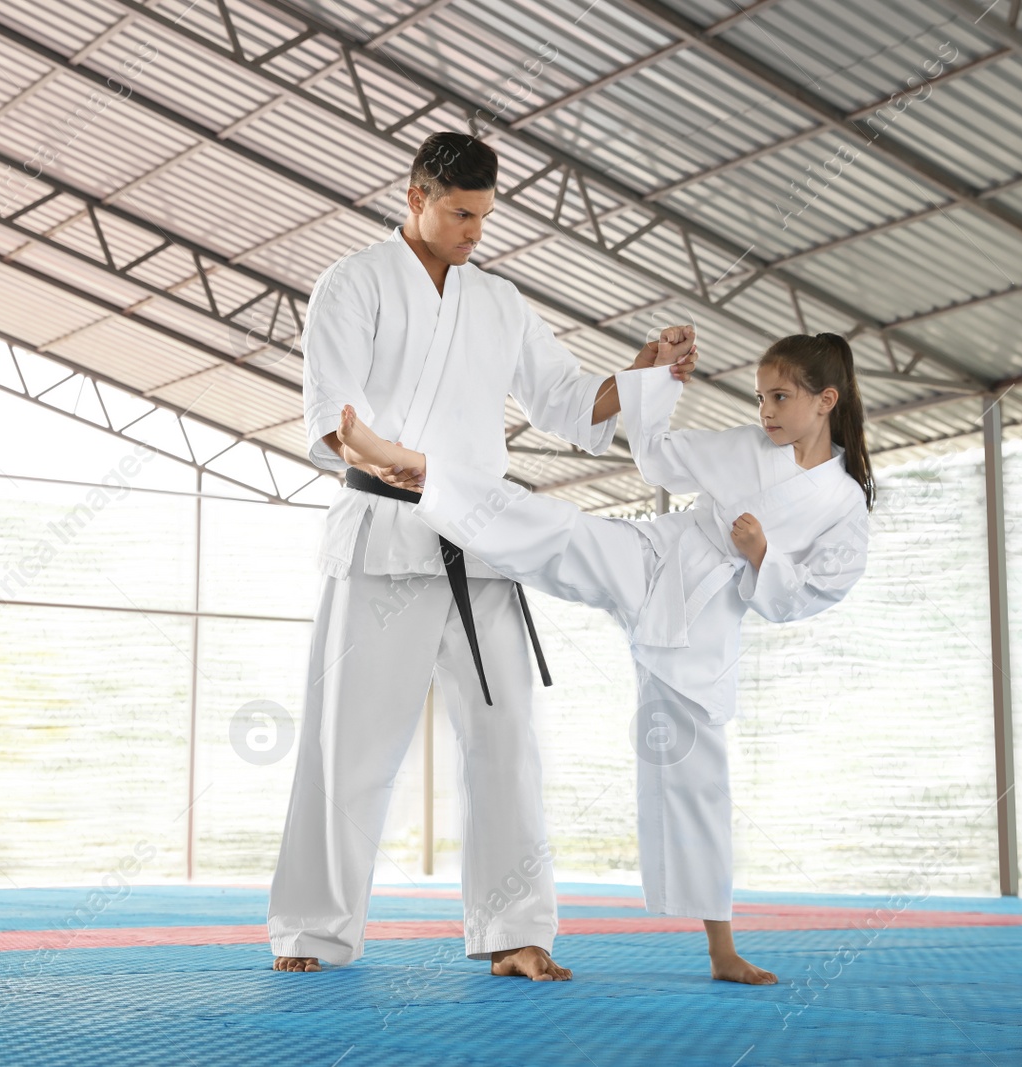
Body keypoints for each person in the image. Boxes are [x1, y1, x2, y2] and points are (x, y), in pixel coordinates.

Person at [267, 129, 700, 980]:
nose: (475, 231)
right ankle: (313, 931)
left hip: (482, 543)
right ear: (415, 197)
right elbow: (334, 419)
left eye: (485, 216)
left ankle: (516, 931)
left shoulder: (498, 300)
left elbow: (572, 407)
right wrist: (377, 452)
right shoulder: (351, 284)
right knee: (349, 747)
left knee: (507, 740)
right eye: (461, 214)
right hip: (385, 538)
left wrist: (642, 371)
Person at [329, 331, 875, 984]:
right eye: (760, 397)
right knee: (560, 529)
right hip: (654, 555)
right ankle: (419, 472)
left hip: (706, 619)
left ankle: (722, 950)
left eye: (780, 397)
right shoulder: (746, 449)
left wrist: (764, 556)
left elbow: (816, 590)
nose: (765, 411)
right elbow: (660, 459)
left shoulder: (844, 504)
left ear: (826, 401)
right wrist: (659, 382)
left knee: (699, 777)